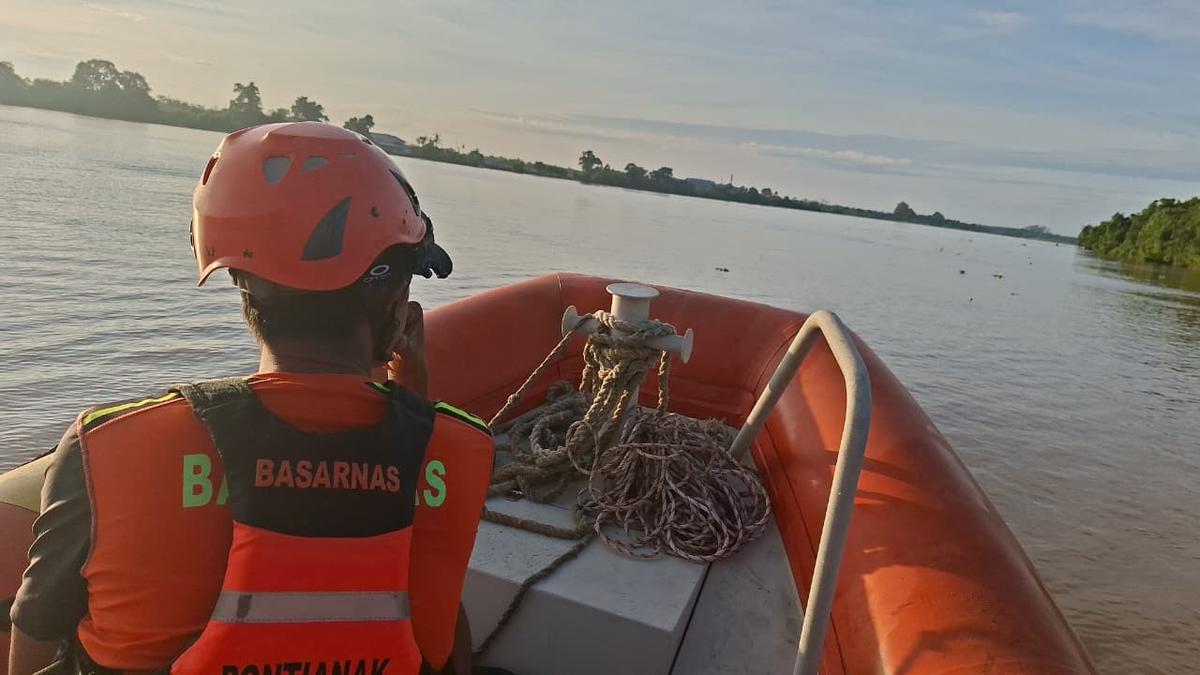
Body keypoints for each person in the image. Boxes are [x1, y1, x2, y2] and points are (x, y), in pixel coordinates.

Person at [8, 122, 493, 674]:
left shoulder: (108, 448)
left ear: (238, 277)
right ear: (396, 302)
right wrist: (411, 395)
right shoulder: (459, 451)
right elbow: (439, 633)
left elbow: (35, 631)